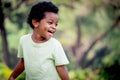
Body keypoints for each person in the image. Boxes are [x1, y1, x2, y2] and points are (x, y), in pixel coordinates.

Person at [8, 1, 70, 80]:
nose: (54, 27)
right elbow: (23, 63)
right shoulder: (24, 41)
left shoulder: (55, 44)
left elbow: (61, 68)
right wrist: (12, 76)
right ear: (35, 22)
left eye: (56, 24)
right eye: (50, 22)